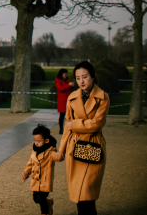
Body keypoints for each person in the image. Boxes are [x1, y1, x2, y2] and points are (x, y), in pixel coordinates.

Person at [58, 61, 109, 215]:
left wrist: (74, 125)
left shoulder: (103, 97)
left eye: (85, 77)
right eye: (78, 77)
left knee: (88, 191)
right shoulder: (72, 97)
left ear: (92, 77)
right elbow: (67, 125)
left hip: (93, 146)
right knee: (78, 194)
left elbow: (97, 124)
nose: (81, 81)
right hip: (74, 148)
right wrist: (61, 150)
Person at [22, 124, 60, 215]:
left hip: (44, 180)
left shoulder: (50, 151)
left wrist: (59, 156)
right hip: (35, 180)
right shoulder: (35, 149)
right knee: (36, 199)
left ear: (46, 140)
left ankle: (45, 212)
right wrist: (26, 174)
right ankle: (49, 203)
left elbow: (55, 156)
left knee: (41, 198)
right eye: (35, 140)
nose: (36, 143)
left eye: (39, 141)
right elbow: (30, 162)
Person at [55, 68, 74, 134]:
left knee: (70, 114)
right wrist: (69, 85)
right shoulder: (58, 80)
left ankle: (70, 128)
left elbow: (69, 88)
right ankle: (61, 129)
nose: (66, 75)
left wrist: (71, 86)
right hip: (62, 100)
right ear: (62, 74)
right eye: (65, 74)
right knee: (62, 115)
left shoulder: (67, 80)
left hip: (68, 99)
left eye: (66, 74)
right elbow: (60, 89)